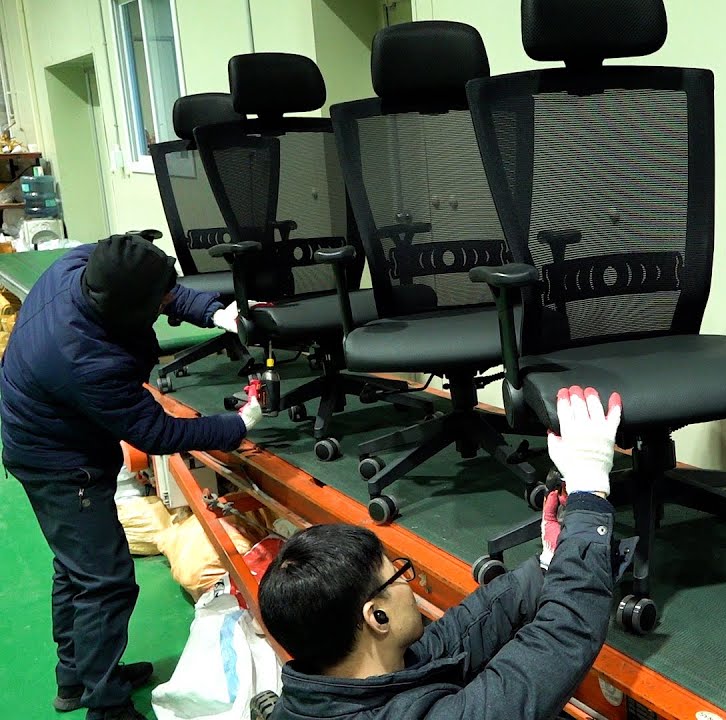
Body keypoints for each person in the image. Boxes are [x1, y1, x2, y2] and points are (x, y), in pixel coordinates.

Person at [1, 234, 262, 720]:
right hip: (58, 464)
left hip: (44, 438)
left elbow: (157, 288)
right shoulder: (85, 358)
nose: (167, 303)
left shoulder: (83, 265)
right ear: (127, 310)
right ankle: (106, 706)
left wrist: (214, 312)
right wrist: (237, 424)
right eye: (159, 303)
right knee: (106, 582)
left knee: (76, 568)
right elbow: (155, 431)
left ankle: (77, 679)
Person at [259, 385, 626, 720]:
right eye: (397, 574)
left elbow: (450, 641)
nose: (408, 582)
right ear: (376, 616)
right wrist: (589, 493)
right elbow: (557, 643)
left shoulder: (329, 687)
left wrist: (546, 564)